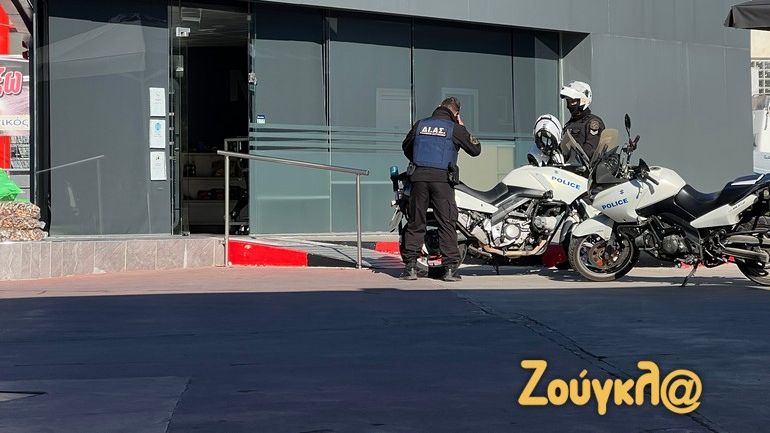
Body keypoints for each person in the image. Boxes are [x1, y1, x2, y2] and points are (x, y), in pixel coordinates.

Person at [400, 97, 481, 282]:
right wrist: (462, 127)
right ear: (456, 114)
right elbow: (475, 149)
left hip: (418, 178)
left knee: (416, 221)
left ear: (438, 107)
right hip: (442, 181)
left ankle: (410, 268)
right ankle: (450, 270)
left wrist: (420, 160)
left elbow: (406, 147)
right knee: (446, 222)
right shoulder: (454, 129)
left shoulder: (420, 125)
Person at [560, 81, 605, 160]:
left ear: (583, 100)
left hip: (581, 167)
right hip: (565, 166)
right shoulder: (569, 124)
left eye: (572, 101)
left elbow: (589, 151)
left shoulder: (593, 122)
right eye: (568, 101)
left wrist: (573, 157)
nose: (569, 106)